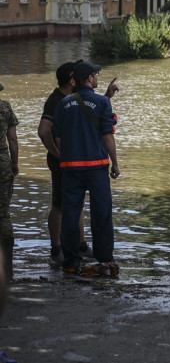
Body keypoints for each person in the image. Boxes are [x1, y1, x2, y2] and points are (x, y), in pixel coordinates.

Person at [38, 61, 120, 265]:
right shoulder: (102, 103)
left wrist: (64, 158)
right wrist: (116, 163)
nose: (98, 77)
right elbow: (108, 135)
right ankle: (105, 261)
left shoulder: (64, 103)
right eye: (96, 74)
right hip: (96, 166)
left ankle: (71, 261)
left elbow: (57, 135)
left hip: (71, 168)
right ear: (90, 79)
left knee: (70, 213)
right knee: (101, 214)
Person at [0, 80, 19, 282]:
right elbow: (12, 139)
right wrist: (14, 163)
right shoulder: (5, 108)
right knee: (3, 214)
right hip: (2, 163)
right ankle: (7, 270)